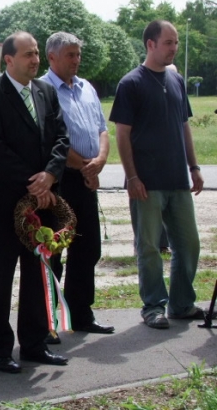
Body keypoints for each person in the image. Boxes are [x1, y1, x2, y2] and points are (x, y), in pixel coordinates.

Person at [0, 31, 69, 374]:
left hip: (43, 203)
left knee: (38, 275)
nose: (36, 60)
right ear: (8, 59)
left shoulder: (46, 91)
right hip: (4, 205)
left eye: (37, 53)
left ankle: (34, 342)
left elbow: (61, 138)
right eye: (28, 54)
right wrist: (35, 183)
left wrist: (50, 175)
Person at [110, 20, 204, 329]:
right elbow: (122, 134)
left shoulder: (176, 80)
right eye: (168, 42)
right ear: (150, 44)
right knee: (149, 247)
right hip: (146, 183)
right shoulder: (131, 83)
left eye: (176, 42)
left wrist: (194, 167)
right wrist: (132, 177)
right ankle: (153, 306)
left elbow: (184, 126)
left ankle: (182, 304)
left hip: (178, 180)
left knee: (189, 244)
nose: (174, 48)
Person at [40, 32, 115, 341]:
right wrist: (85, 167)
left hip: (87, 177)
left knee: (88, 247)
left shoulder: (86, 88)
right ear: (52, 57)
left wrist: (99, 161)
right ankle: (48, 321)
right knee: (54, 250)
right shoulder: (43, 90)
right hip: (60, 179)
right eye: (70, 55)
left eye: (78, 54)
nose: (76, 60)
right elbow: (50, 139)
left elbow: (102, 130)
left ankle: (81, 313)